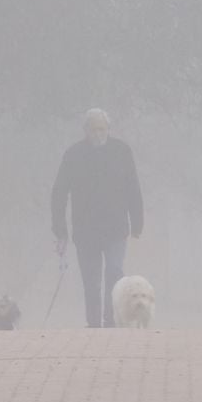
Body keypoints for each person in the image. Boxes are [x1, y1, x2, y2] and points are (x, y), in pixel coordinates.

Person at [50, 108, 144, 328]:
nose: (98, 134)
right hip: (86, 231)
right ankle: (93, 324)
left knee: (114, 272)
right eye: (93, 129)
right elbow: (59, 192)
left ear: (108, 129)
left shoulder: (122, 151)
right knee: (91, 281)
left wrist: (137, 223)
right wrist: (60, 229)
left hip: (115, 228)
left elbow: (133, 187)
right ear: (85, 130)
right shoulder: (73, 155)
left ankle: (110, 320)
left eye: (102, 129)